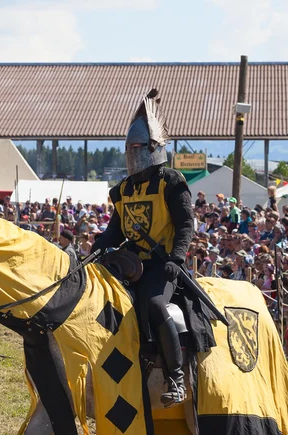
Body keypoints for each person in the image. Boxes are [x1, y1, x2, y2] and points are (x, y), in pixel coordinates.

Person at [92, 89, 195, 407]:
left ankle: (175, 379)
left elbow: (185, 225)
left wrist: (177, 259)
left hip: (161, 265)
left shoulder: (170, 182)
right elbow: (113, 232)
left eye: (140, 147)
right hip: (130, 262)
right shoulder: (122, 190)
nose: (134, 153)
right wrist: (94, 253)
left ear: (155, 147)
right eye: (130, 147)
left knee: (153, 303)